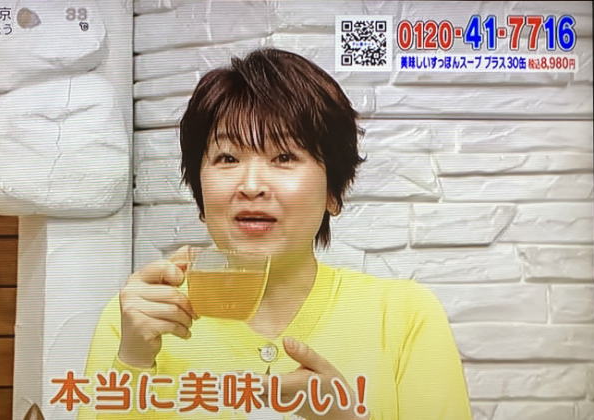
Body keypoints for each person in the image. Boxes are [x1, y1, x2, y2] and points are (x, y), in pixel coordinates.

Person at [78, 48, 472, 419]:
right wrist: (133, 361)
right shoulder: (138, 318)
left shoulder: (404, 314)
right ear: (200, 194)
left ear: (333, 193)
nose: (251, 186)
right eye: (227, 158)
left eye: (284, 156)